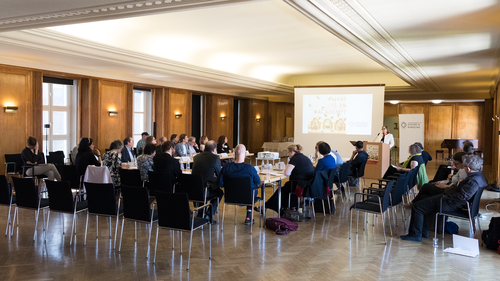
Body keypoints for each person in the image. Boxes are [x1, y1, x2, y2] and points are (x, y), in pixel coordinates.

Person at [401, 154, 487, 242]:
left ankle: (415, 235)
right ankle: (424, 232)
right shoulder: (479, 177)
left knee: (417, 206)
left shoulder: (472, 181)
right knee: (424, 197)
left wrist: (446, 192)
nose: (463, 168)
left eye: (464, 167)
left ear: (468, 169)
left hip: (451, 203)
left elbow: (461, 197)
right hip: (454, 201)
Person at [266, 144, 314, 215]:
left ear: (292, 152)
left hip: (298, 184)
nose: (288, 155)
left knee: (280, 191)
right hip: (306, 184)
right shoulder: (305, 157)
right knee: (285, 188)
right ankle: (287, 207)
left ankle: (265, 206)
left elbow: (287, 173)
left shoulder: (295, 158)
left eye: (288, 153)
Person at [219, 144, 261, 225]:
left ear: (234, 153)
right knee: (252, 190)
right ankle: (248, 216)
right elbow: (258, 182)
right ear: (245, 154)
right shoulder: (250, 168)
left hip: (230, 196)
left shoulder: (226, 167)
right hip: (248, 196)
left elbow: (220, 183)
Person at [192, 140, 223, 222]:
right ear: (214, 149)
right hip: (205, 191)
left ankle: (200, 212)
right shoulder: (215, 158)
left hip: (193, 190)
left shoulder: (196, 157)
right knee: (219, 193)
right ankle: (209, 215)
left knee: (202, 184)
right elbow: (219, 174)